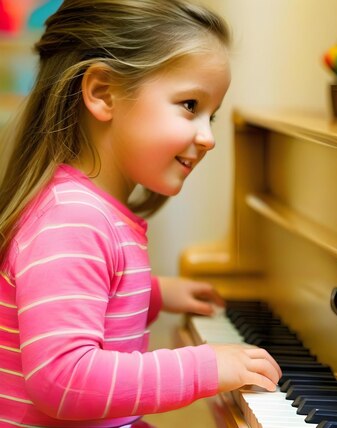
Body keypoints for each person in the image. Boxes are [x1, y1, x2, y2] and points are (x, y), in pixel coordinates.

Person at [0, 1, 281, 426]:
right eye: (190, 105)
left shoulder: (85, 213)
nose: (207, 138)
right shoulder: (72, 221)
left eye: (212, 115)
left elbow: (83, 292)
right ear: (102, 93)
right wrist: (203, 367)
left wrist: (152, 293)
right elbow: (64, 379)